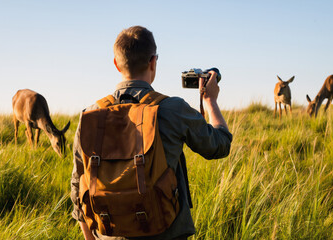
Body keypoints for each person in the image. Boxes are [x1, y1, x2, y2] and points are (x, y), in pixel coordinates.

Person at [70, 26, 232, 240]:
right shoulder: (173, 109)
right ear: (153, 62)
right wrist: (210, 101)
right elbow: (220, 146)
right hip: (166, 232)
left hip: (108, 233)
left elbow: (77, 187)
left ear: (116, 64)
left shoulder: (89, 115)